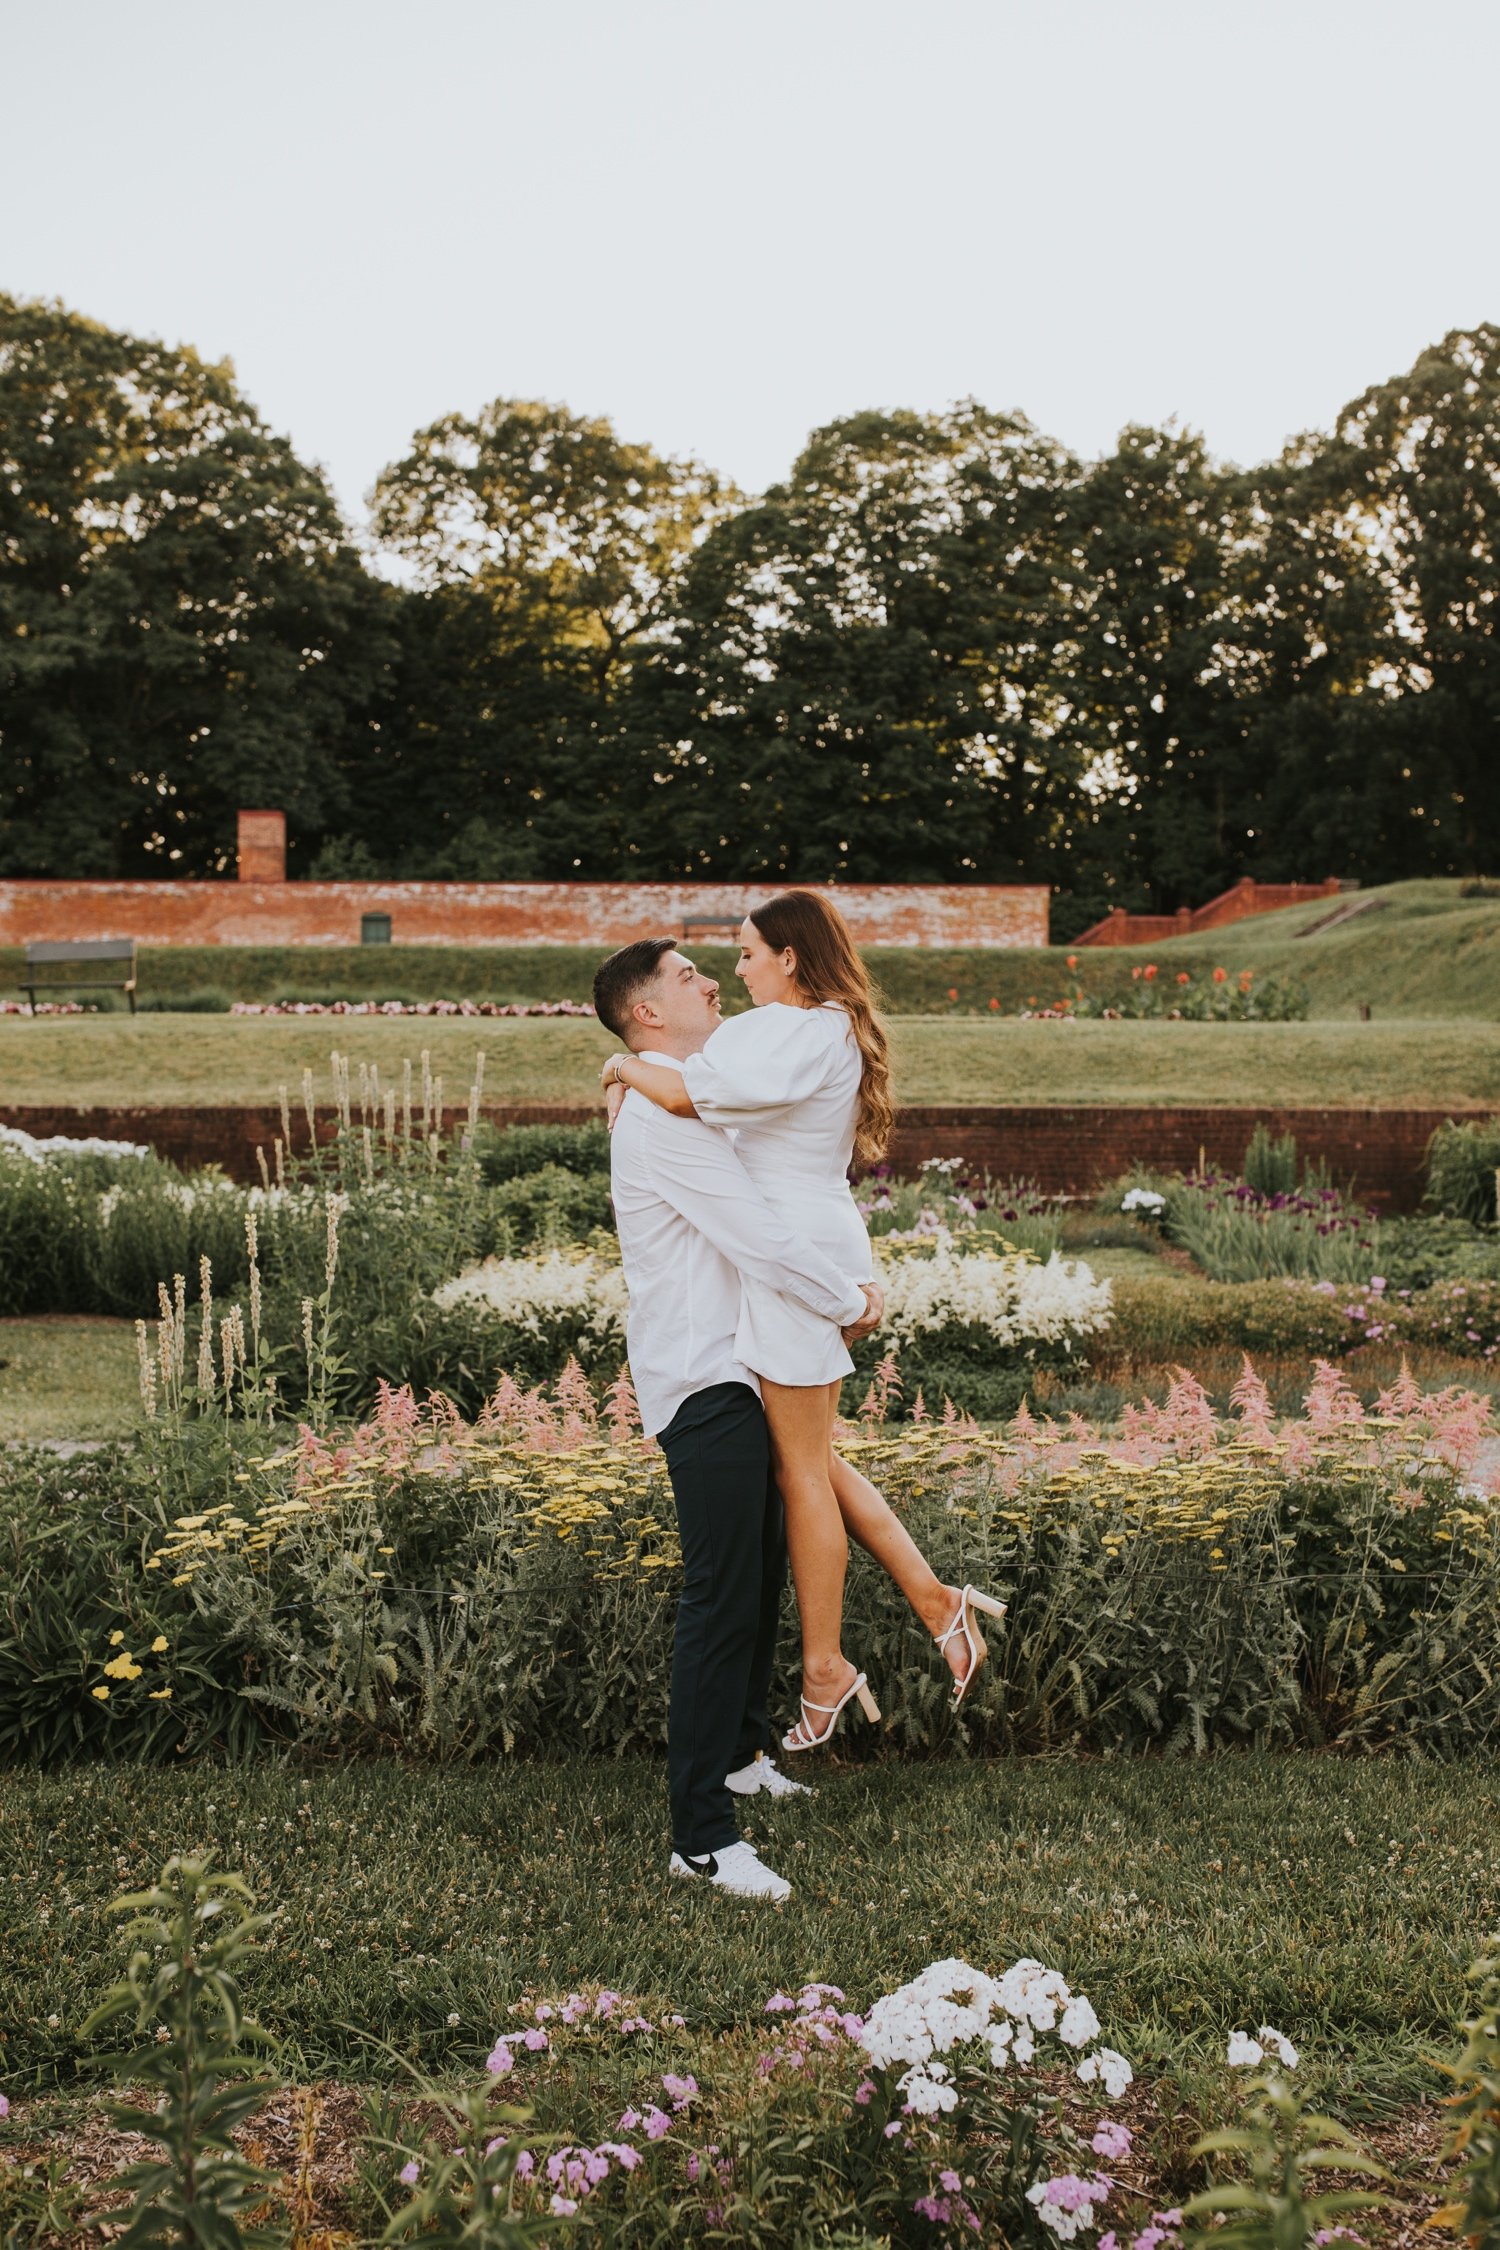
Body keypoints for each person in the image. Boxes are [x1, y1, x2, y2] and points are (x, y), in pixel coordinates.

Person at [600, 890, 1005, 1755]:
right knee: (811, 1457)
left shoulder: (806, 1030)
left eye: (745, 953)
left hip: (792, 1252)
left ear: (789, 955)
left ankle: (826, 1666)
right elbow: (701, 1082)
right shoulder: (787, 1026)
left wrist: (625, 1070)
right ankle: (936, 1602)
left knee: (801, 1475)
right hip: (792, 1245)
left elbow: (686, 1099)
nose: (731, 970)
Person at [592, 935, 885, 1903]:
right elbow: (756, 1239)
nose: (711, 980)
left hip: (741, 1362)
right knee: (722, 1595)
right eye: (686, 977)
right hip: (704, 1374)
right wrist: (846, 1297)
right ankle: (701, 1836)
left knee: (758, 1572)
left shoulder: (687, 1093)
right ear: (646, 1013)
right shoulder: (660, 1117)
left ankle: (745, 1754)